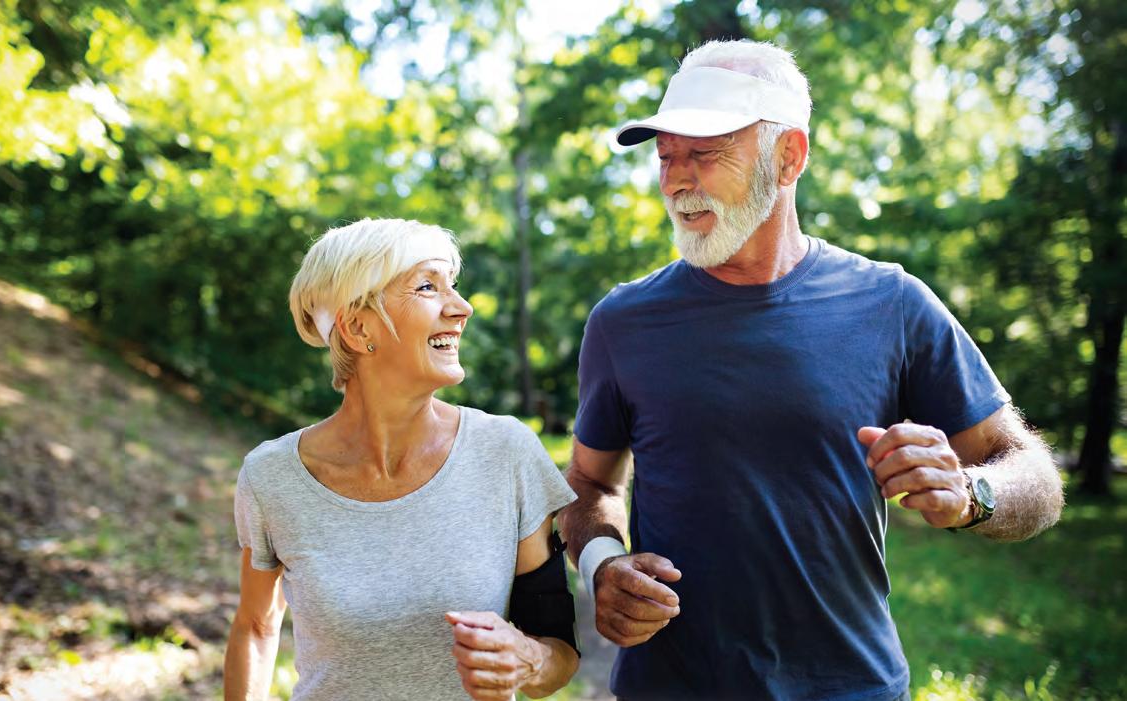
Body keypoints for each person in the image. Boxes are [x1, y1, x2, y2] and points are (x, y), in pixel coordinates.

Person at [558, 40, 1065, 701]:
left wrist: (972, 494)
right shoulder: (621, 321)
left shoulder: (893, 304)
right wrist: (602, 562)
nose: (677, 180)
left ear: (788, 156)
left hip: (852, 688)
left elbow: (1036, 476)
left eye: (705, 154)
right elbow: (589, 482)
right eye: (666, 157)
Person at [223, 218, 580, 701]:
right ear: (357, 327)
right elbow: (256, 626)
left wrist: (527, 659)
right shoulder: (273, 476)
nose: (462, 308)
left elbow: (559, 650)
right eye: (427, 287)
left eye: (452, 287)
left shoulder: (506, 453)